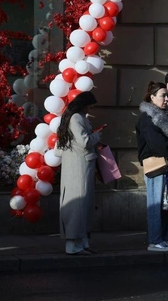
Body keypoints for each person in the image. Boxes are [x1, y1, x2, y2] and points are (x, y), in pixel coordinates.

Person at [136, 81, 168, 252]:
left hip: (167, 164)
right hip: (156, 165)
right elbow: (156, 142)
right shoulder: (148, 117)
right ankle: (155, 240)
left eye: (167, 95)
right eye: (163, 95)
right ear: (152, 97)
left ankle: (162, 238)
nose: (166, 98)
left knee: (167, 204)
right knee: (156, 204)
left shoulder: (165, 115)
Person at [55, 91, 101, 256]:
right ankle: (74, 245)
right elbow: (84, 142)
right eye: (90, 105)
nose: (91, 109)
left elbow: (58, 149)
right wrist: (97, 135)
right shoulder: (77, 118)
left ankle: (81, 243)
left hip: (76, 165)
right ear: (84, 104)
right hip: (79, 166)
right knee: (80, 205)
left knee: (83, 205)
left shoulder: (71, 117)